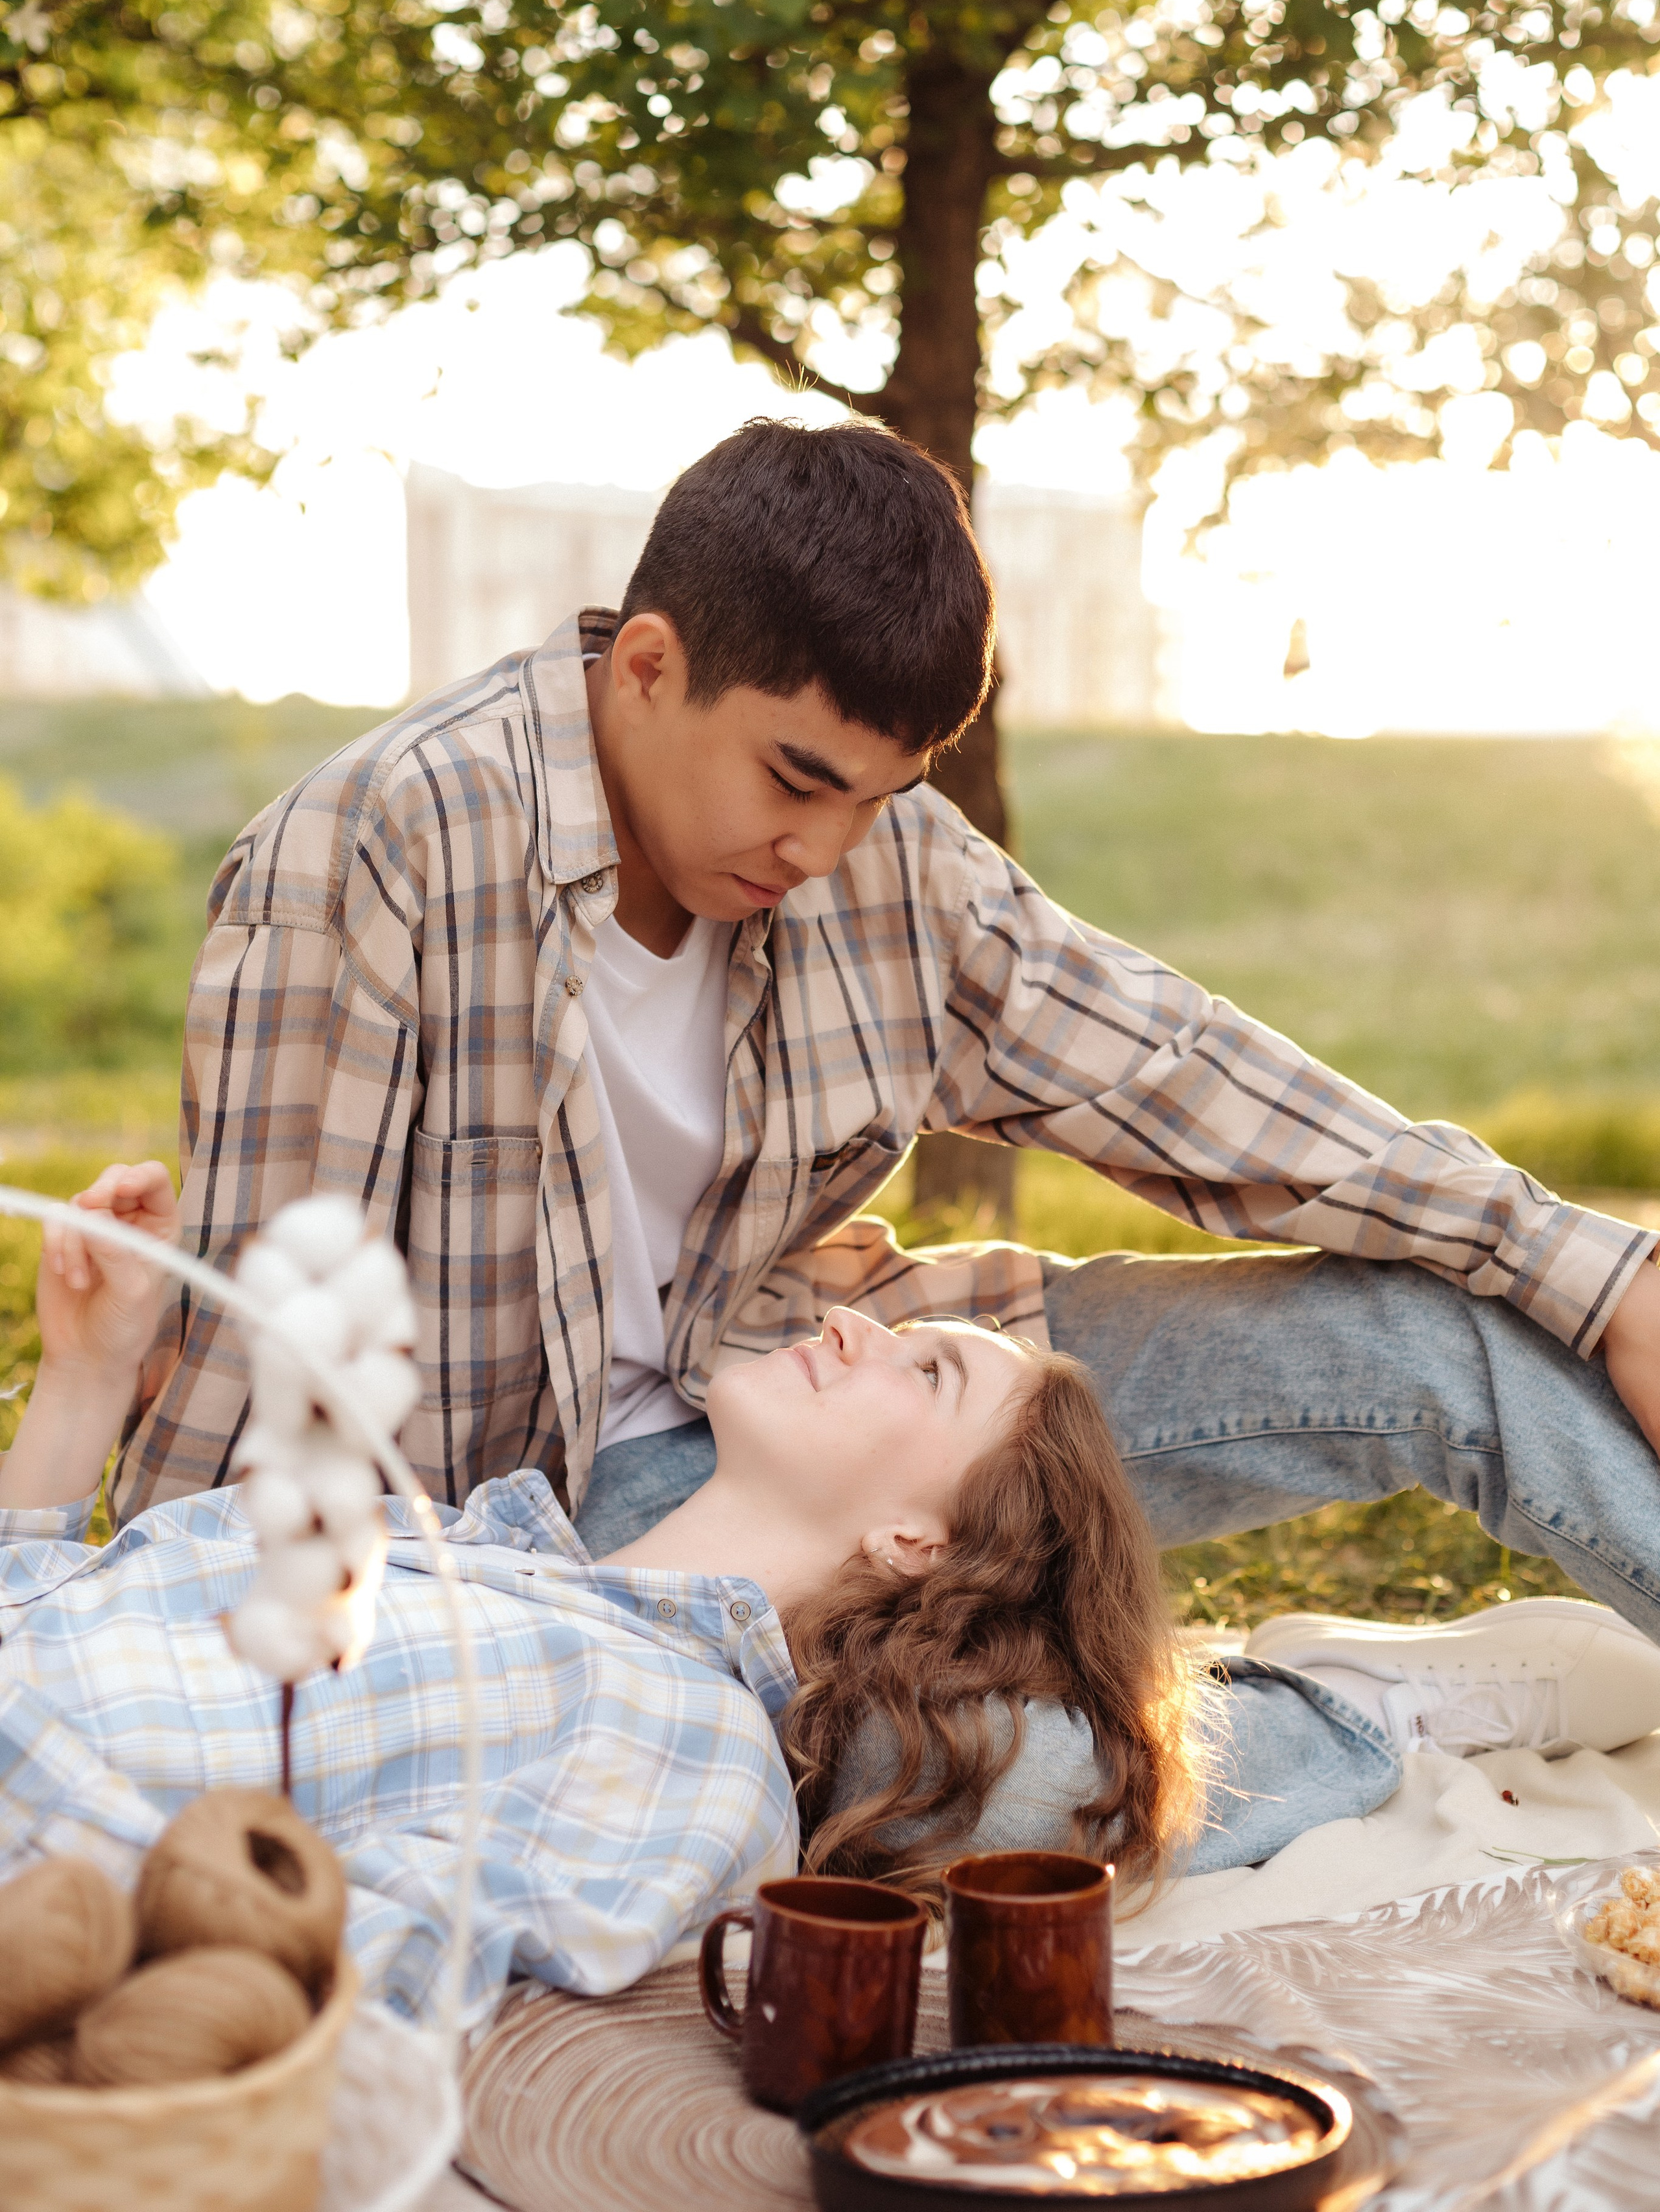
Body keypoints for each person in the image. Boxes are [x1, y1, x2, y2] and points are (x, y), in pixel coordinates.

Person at [114, 418, 1660, 1669]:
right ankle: (1378, 1727)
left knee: (1448, 1331)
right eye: (797, 778)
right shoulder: (384, 845)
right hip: (541, 1546)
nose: (830, 842)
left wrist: (1596, 1278)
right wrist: (194, 1698)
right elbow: (250, 1344)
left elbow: (1173, 1072)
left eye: (875, 792)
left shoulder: (884, 852)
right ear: (645, 666)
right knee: (1001, 1777)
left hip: (854, 1398)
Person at [10, 1166, 1659, 2026]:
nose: (866, 1316)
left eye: (927, 1369)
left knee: (1042, 1789)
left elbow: (366, 1982)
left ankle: (1344, 1717)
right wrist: (80, 1390)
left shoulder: (682, 1746)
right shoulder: (424, 1540)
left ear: (915, 1543)